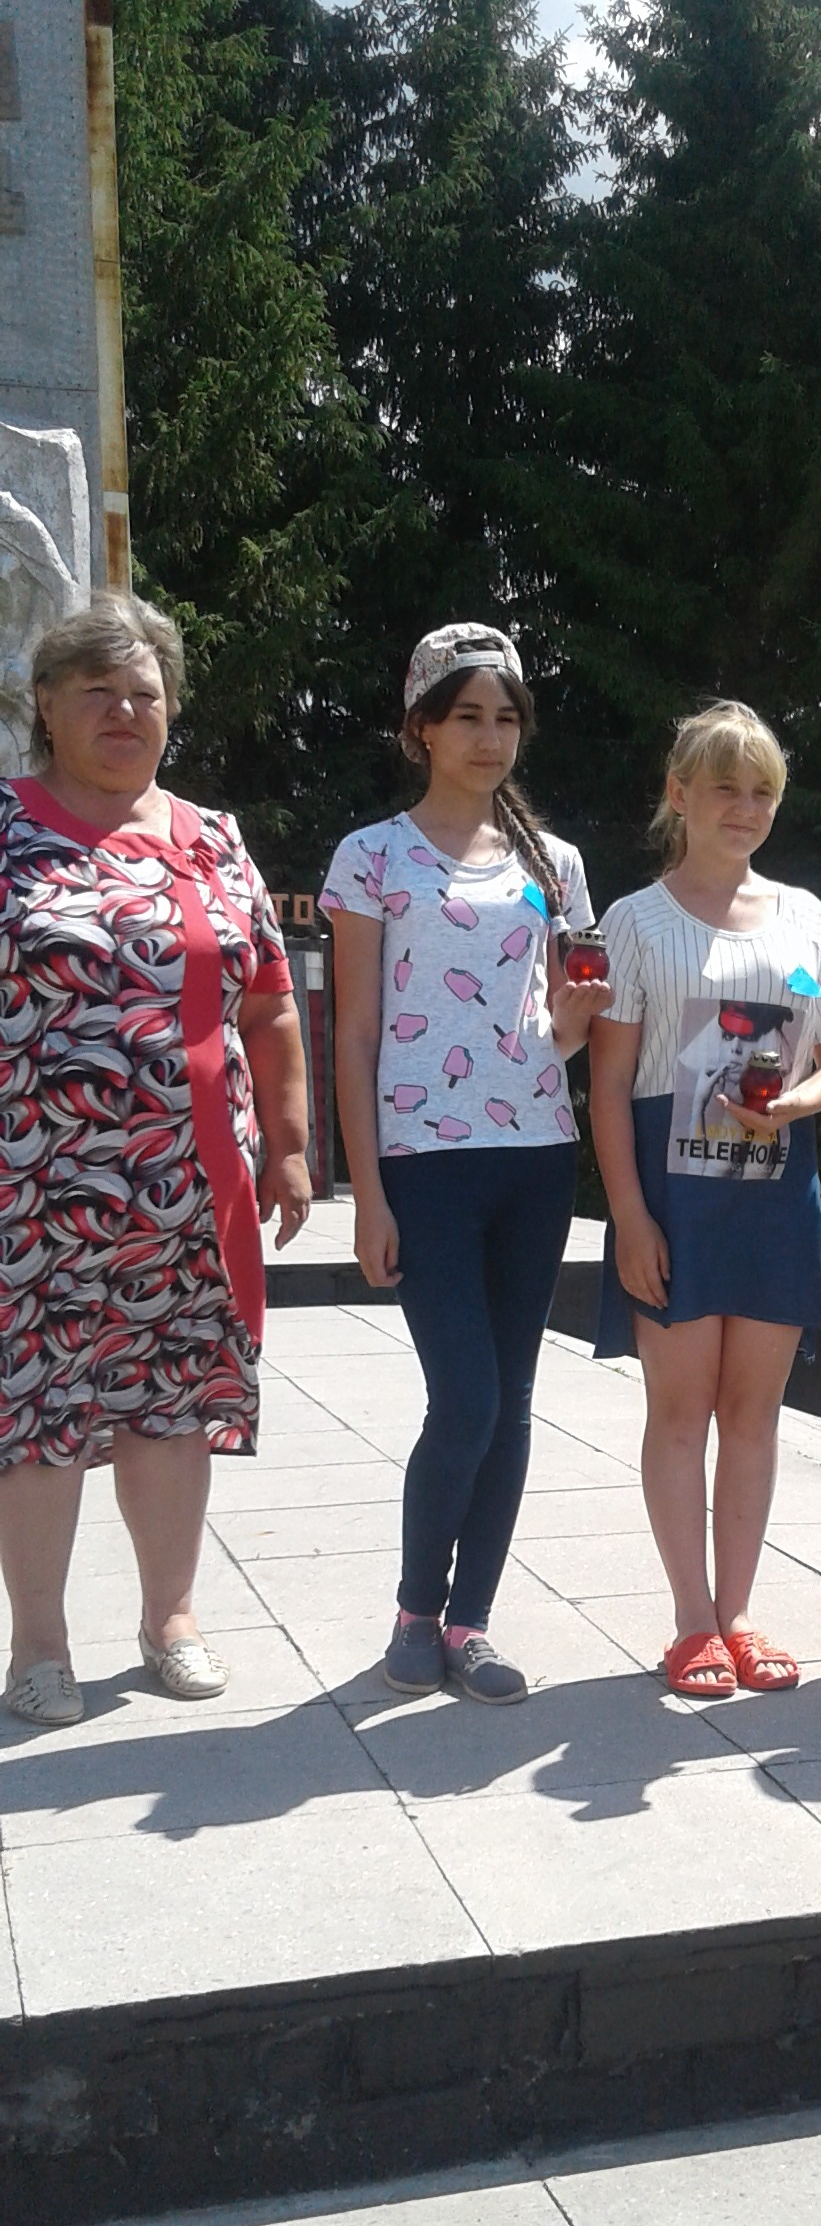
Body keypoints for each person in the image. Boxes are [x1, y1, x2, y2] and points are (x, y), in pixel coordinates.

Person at [0, 592, 311, 1728]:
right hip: (30, 1189)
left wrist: (290, 1147)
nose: (125, 713)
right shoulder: (6, 827)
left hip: (189, 1192)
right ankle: (39, 1645)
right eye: (99, 692)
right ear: (45, 704)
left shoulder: (210, 836)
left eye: (145, 694)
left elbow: (269, 1004)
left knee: (172, 1403)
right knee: (37, 1410)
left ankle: (170, 1619)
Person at [322, 624, 609, 1704]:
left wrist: (576, 1020)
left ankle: (471, 1622)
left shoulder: (554, 864)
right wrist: (366, 1193)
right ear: (422, 729)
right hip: (425, 1162)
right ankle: (415, 1609)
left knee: (513, 1403)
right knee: (468, 1400)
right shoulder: (372, 857)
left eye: (506, 719)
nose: (490, 739)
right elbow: (355, 1033)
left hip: (535, 1156)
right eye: (468, 717)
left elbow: (564, 1030)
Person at [588, 701, 821, 1699]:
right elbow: (607, 1085)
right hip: (673, 1198)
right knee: (679, 1411)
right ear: (679, 794)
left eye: (762, 792)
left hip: (774, 1194)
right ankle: (691, 1622)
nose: (745, 808)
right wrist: (629, 1216)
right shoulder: (634, 921)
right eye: (724, 788)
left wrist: (795, 1102)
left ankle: (739, 1614)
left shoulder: (804, 919)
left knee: (753, 1413)